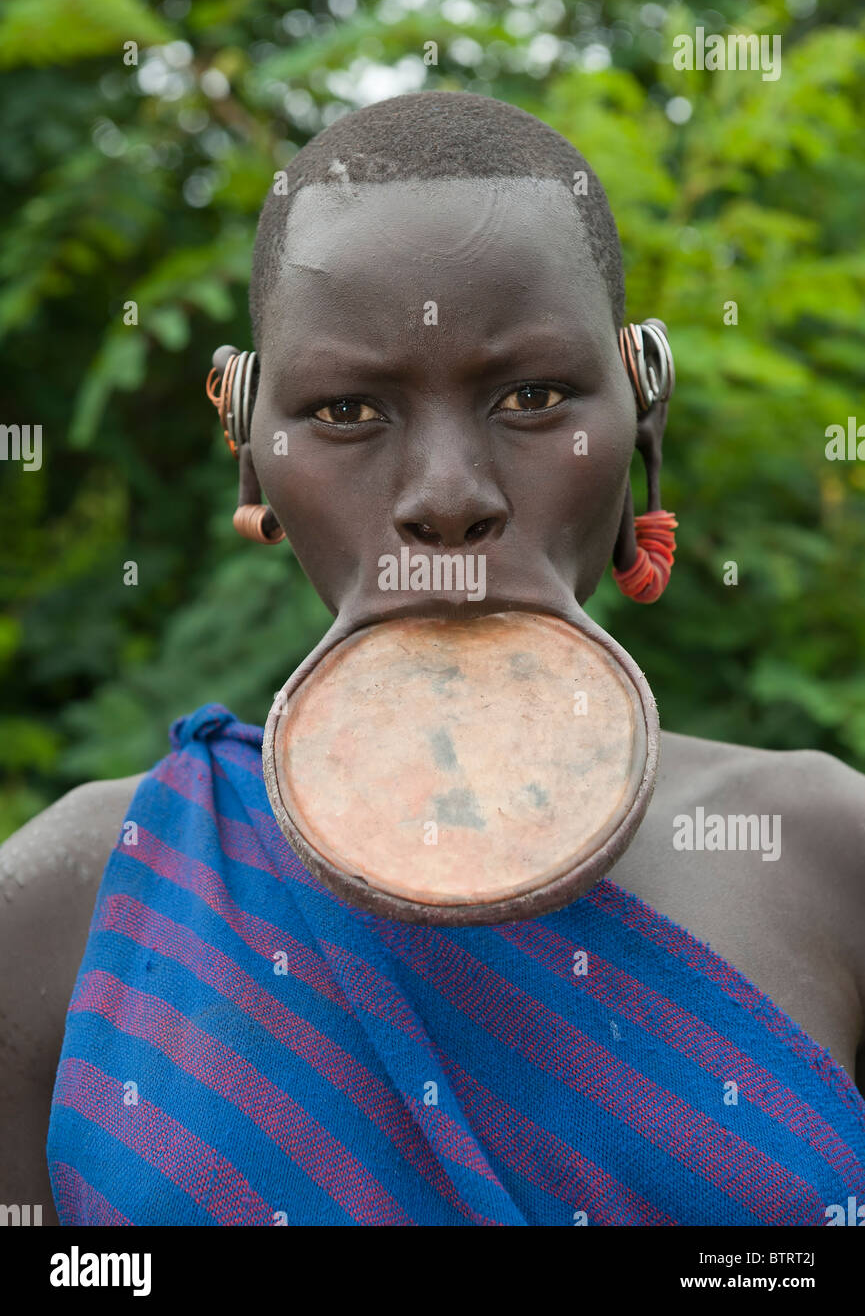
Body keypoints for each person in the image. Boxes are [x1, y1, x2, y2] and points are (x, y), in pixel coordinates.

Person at [2, 90, 863, 1226]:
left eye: (533, 396)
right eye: (349, 409)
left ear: (641, 420)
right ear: (251, 454)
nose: (446, 498)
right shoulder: (74, 897)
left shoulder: (827, 856)